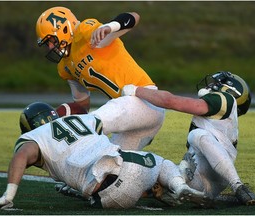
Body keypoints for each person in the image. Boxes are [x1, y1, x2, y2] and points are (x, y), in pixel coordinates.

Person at [0, 102, 208, 210]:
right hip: (128, 169)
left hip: (104, 200)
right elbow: (101, 118)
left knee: (83, 182)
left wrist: (8, 195)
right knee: (158, 162)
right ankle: (178, 185)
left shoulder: (34, 138)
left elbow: (21, 157)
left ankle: (156, 190)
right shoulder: (79, 120)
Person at [35, 7, 165, 151]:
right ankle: (169, 172)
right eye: (47, 44)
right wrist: (64, 114)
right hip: (129, 113)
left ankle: (42, 147)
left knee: (90, 124)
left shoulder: (84, 31)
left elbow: (134, 17)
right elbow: (82, 106)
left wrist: (109, 27)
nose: (50, 47)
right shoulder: (64, 67)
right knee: (109, 165)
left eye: (52, 40)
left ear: (64, 29)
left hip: (146, 99)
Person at [121, 71, 255, 206]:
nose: (210, 86)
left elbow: (170, 101)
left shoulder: (225, 100)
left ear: (228, 89)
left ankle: (238, 186)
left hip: (217, 171)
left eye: (215, 83)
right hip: (200, 176)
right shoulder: (220, 114)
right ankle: (176, 189)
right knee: (160, 165)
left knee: (196, 135)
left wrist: (137, 90)